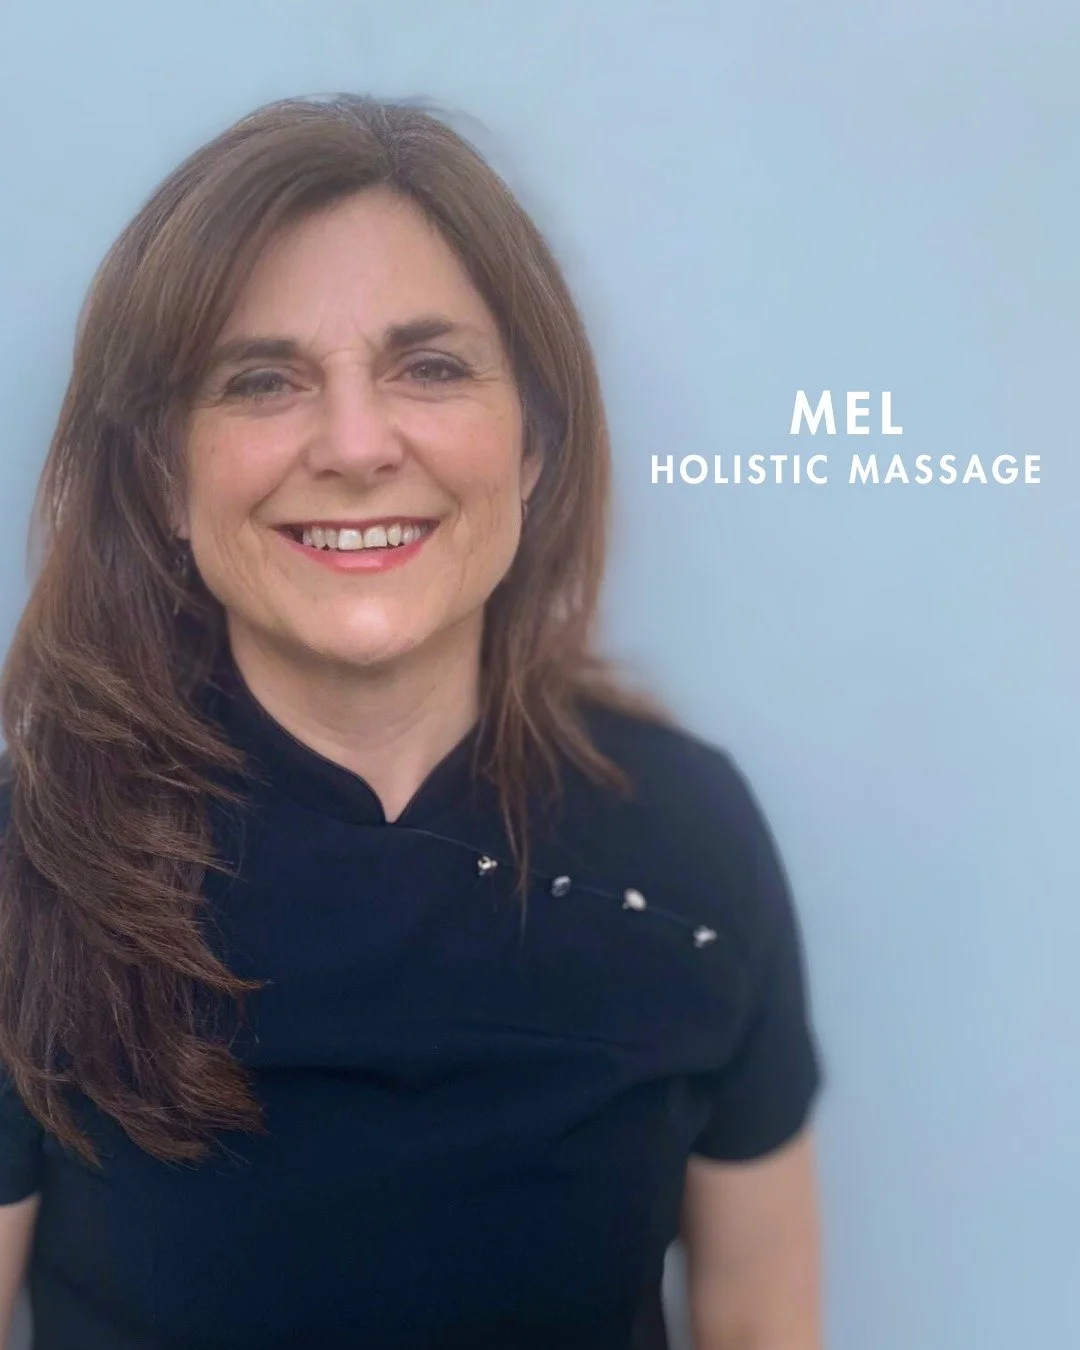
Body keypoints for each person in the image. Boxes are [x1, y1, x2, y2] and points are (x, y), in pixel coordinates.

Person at [0, 94, 824, 1350]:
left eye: (429, 367)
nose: (354, 444)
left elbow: (763, 1322)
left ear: (533, 446)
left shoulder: (689, 831)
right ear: (163, 473)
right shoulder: (29, 864)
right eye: (261, 380)